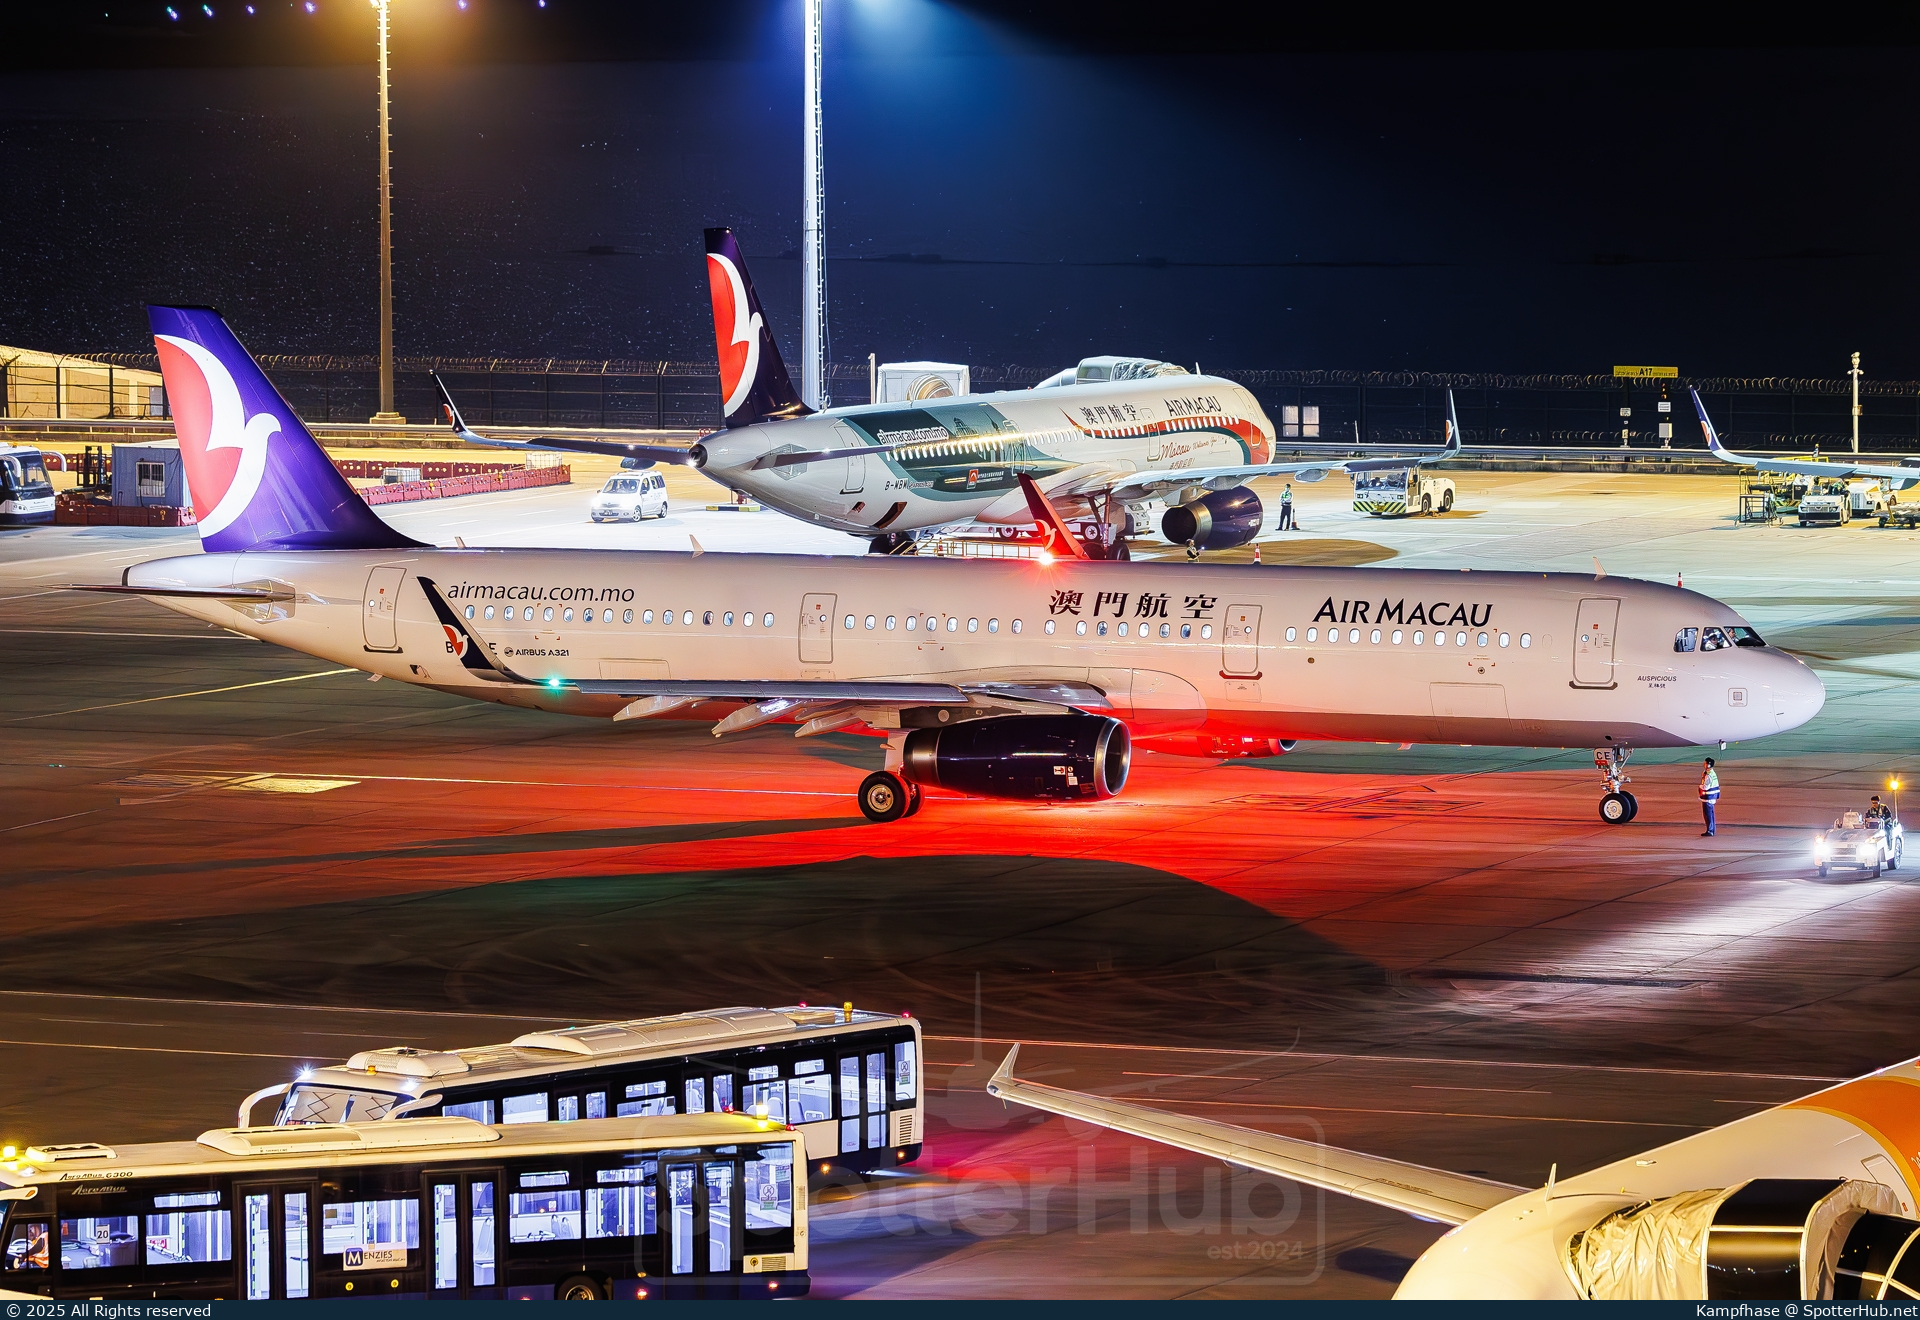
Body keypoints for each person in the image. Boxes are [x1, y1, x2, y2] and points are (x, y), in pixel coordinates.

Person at [1699, 757, 1720, 836]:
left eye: (1705, 763)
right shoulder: (1711, 773)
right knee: (1711, 814)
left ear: (1708, 765)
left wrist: (1700, 786)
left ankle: (1710, 830)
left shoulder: (1708, 775)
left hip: (1708, 797)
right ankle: (1712, 830)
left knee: (1708, 815)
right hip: (1712, 796)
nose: (1704, 764)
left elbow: (1706, 787)